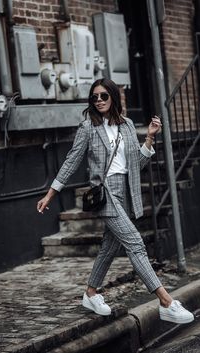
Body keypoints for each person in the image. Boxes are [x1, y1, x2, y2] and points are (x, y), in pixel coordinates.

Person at [37, 78, 194, 324]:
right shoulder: (88, 127)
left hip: (126, 191)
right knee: (135, 243)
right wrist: (51, 193)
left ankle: (90, 293)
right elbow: (71, 161)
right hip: (107, 192)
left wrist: (150, 138)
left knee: (110, 247)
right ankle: (166, 301)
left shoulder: (128, 125)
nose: (98, 101)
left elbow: (136, 166)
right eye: (95, 97)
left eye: (103, 96)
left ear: (113, 97)